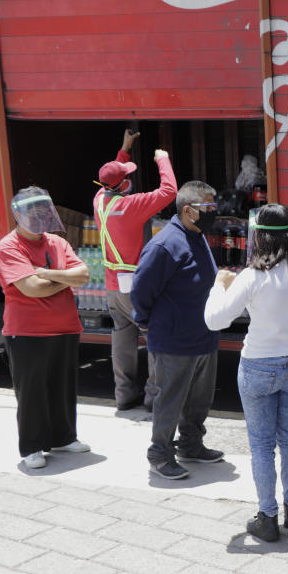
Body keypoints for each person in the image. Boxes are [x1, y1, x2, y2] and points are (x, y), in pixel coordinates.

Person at [204, 203, 288, 542]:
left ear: (258, 236)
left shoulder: (252, 276)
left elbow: (214, 321)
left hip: (258, 364)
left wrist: (219, 285)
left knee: (261, 445)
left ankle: (267, 518)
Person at [131, 180, 224, 480]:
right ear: (188, 210)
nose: (214, 213)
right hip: (174, 339)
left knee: (199, 400)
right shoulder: (165, 244)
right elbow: (142, 290)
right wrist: (145, 320)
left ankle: (191, 444)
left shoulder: (196, 235)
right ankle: (159, 454)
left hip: (203, 336)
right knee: (170, 399)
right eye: (208, 208)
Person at [0, 187, 91, 469]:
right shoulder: (9, 246)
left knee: (62, 388)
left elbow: (83, 274)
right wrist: (65, 279)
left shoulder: (57, 243)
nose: (39, 217)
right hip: (27, 332)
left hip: (65, 327)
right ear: (18, 215)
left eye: (43, 211)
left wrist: (48, 273)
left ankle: (64, 437)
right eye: (32, 212)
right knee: (31, 392)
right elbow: (32, 289)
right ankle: (32, 447)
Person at [94, 130, 177, 411]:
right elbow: (169, 192)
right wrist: (163, 161)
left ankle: (124, 394)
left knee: (122, 339)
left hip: (112, 286)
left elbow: (111, 176)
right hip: (136, 285)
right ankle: (153, 398)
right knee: (153, 335)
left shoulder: (99, 201)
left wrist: (124, 150)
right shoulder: (131, 206)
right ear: (125, 184)